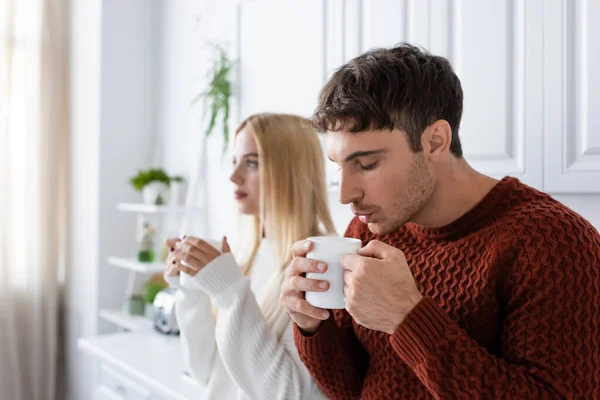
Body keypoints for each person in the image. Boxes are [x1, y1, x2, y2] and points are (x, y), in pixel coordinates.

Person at [281, 43, 600, 399]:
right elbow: (350, 389)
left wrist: (408, 319)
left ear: (435, 141)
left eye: (367, 164)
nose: (345, 194)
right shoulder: (368, 231)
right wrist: (311, 326)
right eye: (339, 166)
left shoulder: (554, 243)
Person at [164, 113, 334, 399]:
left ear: (290, 169)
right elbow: (210, 375)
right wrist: (191, 291)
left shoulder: (320, 262)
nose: (234, 176)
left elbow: (290, 394)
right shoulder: (245, 255)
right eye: (234, 161)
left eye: (252, 162)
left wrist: (229, 290)